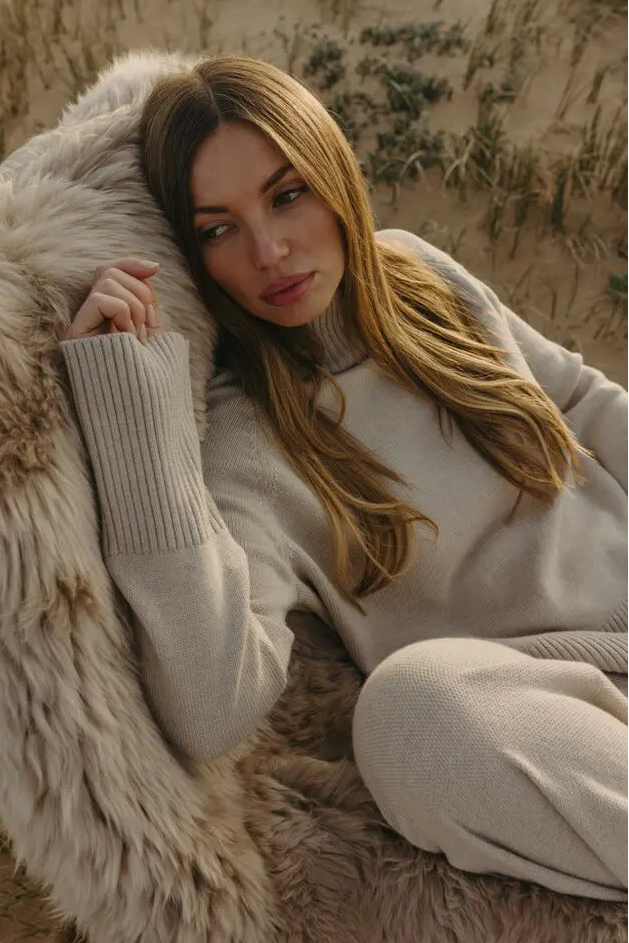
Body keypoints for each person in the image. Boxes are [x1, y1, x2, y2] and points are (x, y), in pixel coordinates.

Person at [61, 53, 628, 902]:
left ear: (333, 175)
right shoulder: (247, 445)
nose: (269, 249)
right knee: (407, 715)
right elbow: (210, 707)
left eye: (287, 194)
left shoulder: (422, 274)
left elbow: (583, 400)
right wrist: (136, 424)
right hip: (548, 715)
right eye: (217, 228)